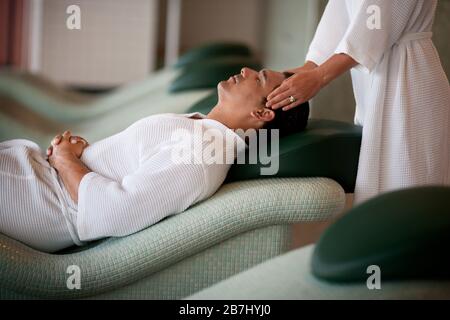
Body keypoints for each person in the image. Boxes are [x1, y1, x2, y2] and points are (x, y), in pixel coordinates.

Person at [0, 68, 309, 253]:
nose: (246, 71)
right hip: (36, 177)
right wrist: (86, 154)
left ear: (262, 113)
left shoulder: (201, 154)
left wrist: (66, 160)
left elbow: (114, 212)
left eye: (260, 78)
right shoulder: (202, 131)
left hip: (35, 196)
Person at [266, 0, 450, 205]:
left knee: (410, 187)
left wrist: (319, 76)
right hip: (373, 87)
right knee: (378, 188)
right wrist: (297, 74)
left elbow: (376, 22)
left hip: (411, 84)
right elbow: (339, 20)